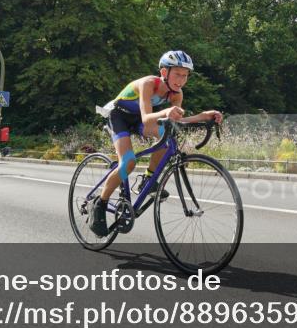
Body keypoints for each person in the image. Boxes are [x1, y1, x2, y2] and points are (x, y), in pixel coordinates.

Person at [89, 50, 223, 237]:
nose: (181, 80)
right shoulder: (148, 84)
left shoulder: (176, 94)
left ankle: (147, 179)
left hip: (138, 119)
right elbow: (147, 118)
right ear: (164, 72)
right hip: (118, 116)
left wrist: (203, 116)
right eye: (177, 74)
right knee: (128, 163)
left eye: (185, 76)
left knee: (167, 137)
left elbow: (176, 121)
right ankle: (100, 203)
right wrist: (166, 113)